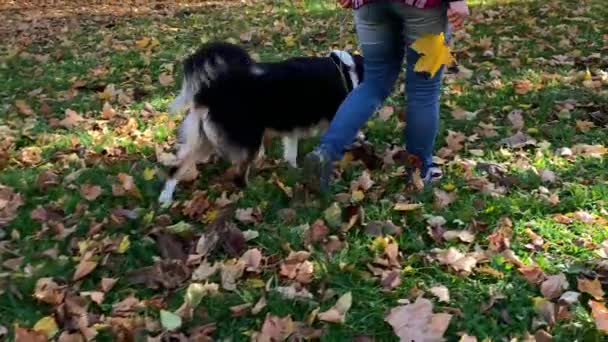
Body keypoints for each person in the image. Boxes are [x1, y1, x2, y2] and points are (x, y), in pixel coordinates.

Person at [302, 0, 469, 193]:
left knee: (373, 83)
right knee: (424, 90)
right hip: (425, 8)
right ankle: (419, 169)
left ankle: (326, 152)